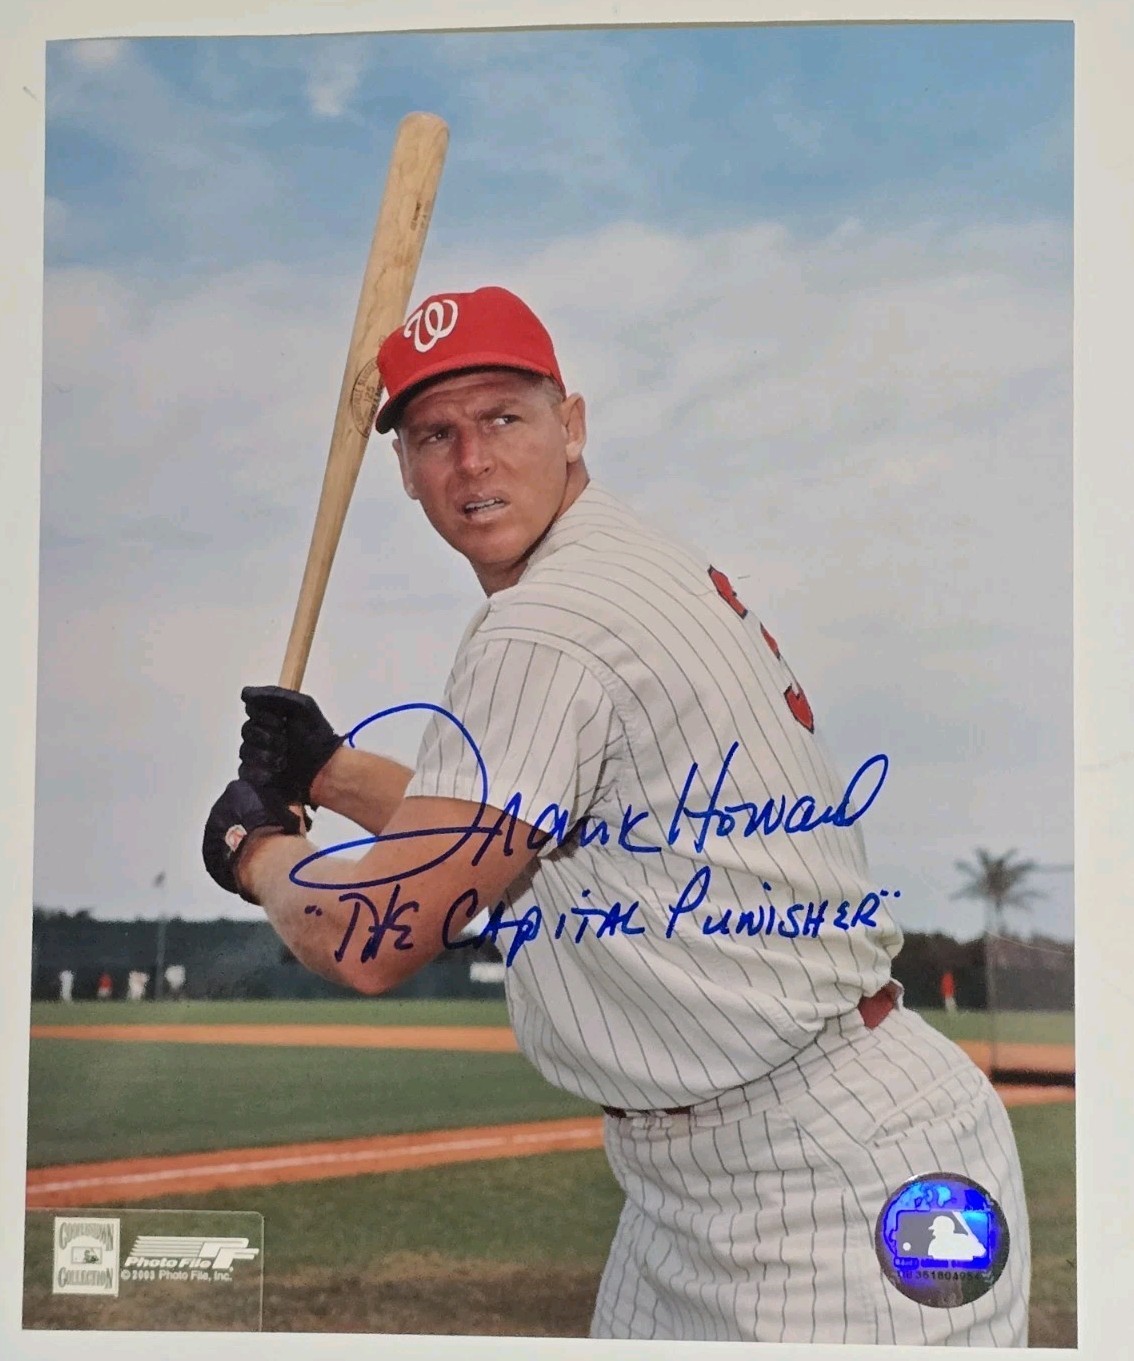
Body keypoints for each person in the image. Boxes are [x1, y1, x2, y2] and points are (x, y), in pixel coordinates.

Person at [202, 285, 1030, 1345]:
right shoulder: (626, 561)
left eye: (503, 416)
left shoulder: (546, 625)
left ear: (572, 425)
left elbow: (372, 935)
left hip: (823, 1181)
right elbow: (540, 840)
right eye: (435, 434)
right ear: (403, 468)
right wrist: (328, 770)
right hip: (731, 1165)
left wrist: (257, 848)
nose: (472, 460)